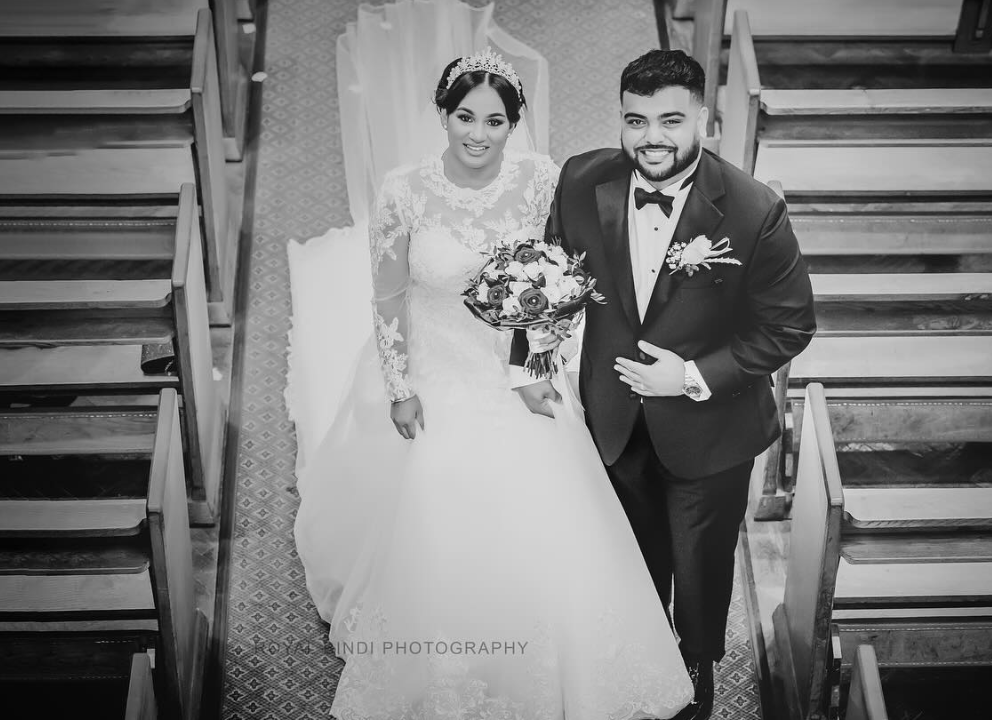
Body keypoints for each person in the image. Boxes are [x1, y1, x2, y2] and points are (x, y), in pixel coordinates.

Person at [292, 50, 693, 719]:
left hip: (514, 367)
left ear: (515, 123)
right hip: (435, 365)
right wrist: (399, 385)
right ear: (443, 116)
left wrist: (534, 370)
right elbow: (388, 297)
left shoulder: (541, 181)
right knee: (435, 495)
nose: (479, 133)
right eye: (466, 117)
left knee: (552, 501)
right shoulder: (403, 191)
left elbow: (551, 280)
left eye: (496, 120)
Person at [512, 49, 817, 720]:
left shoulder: (753, 209)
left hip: (711, 432)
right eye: (636, 120)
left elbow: (789, 329)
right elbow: (551, 274)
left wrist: (692, 376)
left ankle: (696, 665)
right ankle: (639, 657)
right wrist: (532, 364)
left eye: (670, 120)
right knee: (628, 551)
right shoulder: (581, 178)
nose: (651, 137)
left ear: (703, 120)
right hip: (613, 416)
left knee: (701, 564)